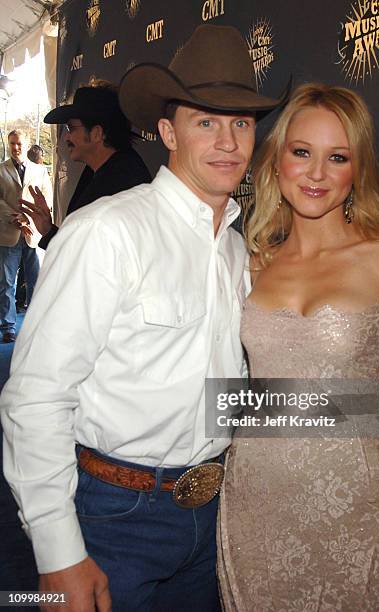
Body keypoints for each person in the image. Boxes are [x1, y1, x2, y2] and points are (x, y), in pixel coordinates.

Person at [1, 25, 289, 612]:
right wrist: (58, 555)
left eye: (240, 123)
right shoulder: (107, 233)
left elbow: (218, 397)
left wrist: (358, 414)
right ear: (167, 132)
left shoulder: (238, 250)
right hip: (112, 519)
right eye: (206, 121)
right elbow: (35, 398)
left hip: (214, 515)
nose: (228, 140)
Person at [218, 83, 379, 611]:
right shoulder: (247, 259)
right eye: (302, 152)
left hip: (354, 500)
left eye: (338, 157)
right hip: (256, 494)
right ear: (277, 160)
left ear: (358, 170)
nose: (317, 173)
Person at [19, 80, 151, 250]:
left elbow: (93, 259)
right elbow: (81, 249)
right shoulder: (105, 170)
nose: (66, 137)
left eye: (71, 128)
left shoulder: (124, 182)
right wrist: (47, 230)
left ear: (96, 133)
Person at [0, 129, 52, 342]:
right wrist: (17, 218)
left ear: (28, 144)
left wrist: (28, 220)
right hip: (8, 233)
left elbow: (46, 201)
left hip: (34, 234)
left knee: (36, 281)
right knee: (6, 283)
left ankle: (35, 325)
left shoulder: (40, 172)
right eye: (12, 143)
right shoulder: (0, 170)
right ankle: (8, 327)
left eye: (19, 143)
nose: (15, 147)